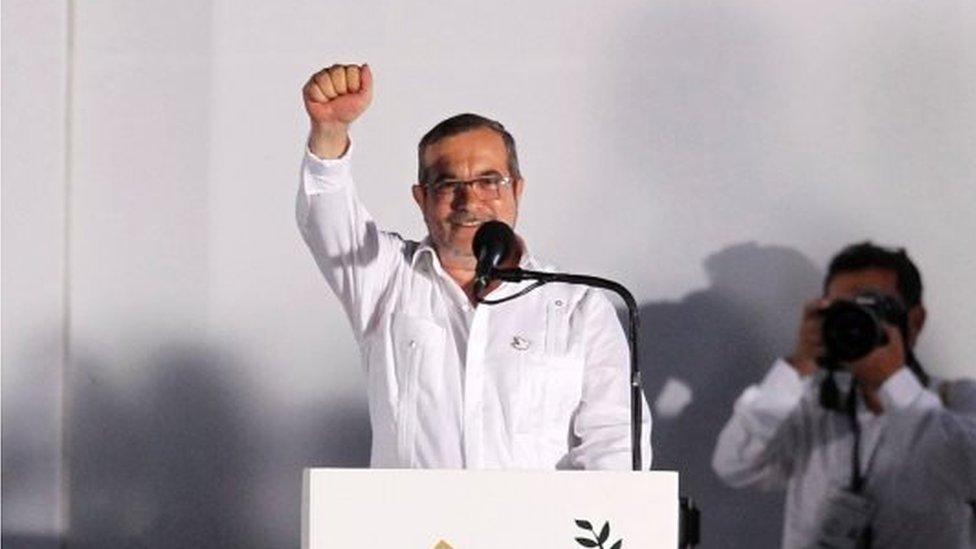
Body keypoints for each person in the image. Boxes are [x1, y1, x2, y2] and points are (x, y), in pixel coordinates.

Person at [296, 62, 651, 470]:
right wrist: (329, 132)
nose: (470, 201)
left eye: (489, 181)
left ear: (516, 189)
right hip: (411, 531)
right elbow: (328, 221)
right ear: (421, 198)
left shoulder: (579, 306)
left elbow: (616, 445)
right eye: (449, 184)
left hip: (536, 532)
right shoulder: (387, 278)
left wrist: (585, 530)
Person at [712, 242, 976, 548]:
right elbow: (733, 465)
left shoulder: (957, 401)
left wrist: (895, 384)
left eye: (874, 309)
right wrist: (798, 365)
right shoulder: (809, 405)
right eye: (844, 311)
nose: (857, 323)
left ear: (914, 322)